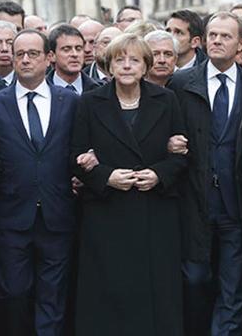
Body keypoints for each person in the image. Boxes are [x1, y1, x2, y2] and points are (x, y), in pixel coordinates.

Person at [71, 31, 188, 335]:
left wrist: (159, 174)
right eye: (119, 60)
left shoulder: (167, 99)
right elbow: (75, 156)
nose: (126, 66)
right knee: (110, 293)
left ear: (145, 66)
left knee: (156, 294)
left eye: (134, 60)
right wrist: (106, 176)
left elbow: (182, 154)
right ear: (108, 66)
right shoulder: (89, 102)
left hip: (154, 213)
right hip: (108, 213)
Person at [167, 11, 242, 336]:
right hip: (195, 201)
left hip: (237, 205)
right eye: (212, 35)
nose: (216, 41)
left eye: (225, 36)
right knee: (195, 279)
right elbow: (168, 130)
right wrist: (170, 144)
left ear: (241, 44)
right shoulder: (182, 83)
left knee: (233, 287)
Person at [0, 28, 79, 336]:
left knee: (53, 296)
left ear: (49, 58)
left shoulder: (71, 102)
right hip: (12, 216)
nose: (24, 60)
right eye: (19, 53)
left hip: (58, 215)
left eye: (33, 53)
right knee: (13, 294)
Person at [46, 25, 99, 95]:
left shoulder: (99, 89)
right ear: (52, 56)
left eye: (78, 48)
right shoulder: (42, 90)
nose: (74, 54)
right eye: (66, 49)